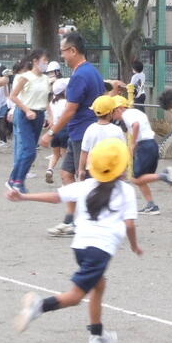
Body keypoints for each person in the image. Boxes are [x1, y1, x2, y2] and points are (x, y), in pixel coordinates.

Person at [9, 138, 142, 343]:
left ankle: (97, 335)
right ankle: (39, 305)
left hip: (80, 247)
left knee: (99, 285)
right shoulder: (126, 191)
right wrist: (134, 245)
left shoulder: (86, 185)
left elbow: (56, 197)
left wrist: (24, 197)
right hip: (100, 251)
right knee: (75, 296)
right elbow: (130, 225)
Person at [41, 32, 106, 237]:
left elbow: (70, 110)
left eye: (63, 52)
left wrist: (51, 132)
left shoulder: (80, 76)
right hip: (79, 133)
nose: (62, 56)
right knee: (67, 173)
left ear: (73, 51)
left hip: (83, 135)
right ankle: (70, 220)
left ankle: (90, 221)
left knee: (85, 180)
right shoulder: (92, 71)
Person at [114, 96, 172, 214]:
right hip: (151, 144)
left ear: (119, 108)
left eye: (113, 111)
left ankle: (164, 176)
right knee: (141, 178)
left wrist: (133, 143)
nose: (113, 115)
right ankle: (151, 205)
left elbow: (136, 125)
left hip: (145, 146)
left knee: (136, 178)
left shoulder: (126, 115)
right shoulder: (136, 112)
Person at [8, 49, 51, 193]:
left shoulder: (45, 79)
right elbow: (13, 96)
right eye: (44, 60)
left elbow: (46, 100)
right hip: (25, 115)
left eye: (47, 61)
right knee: (29, 151)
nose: (46, 63)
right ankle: (18, 181)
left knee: (30, 150)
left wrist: (50, 116)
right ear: (35, 61)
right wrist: (26, 110)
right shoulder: (25, 77)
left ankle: (13, 179)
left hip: (39, 115)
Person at [76, 95, 127, 180]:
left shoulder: (90, 129)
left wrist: (81, 170)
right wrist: (123, 170)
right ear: (111, 112)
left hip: (92, 170)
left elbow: (84, 152)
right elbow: (123, 152)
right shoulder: (117, 130)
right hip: (112, 170)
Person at [45, 77, 70, 184]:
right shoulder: (67, 103)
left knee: (55, 154)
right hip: (64, 129)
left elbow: (49, 117)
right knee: (64, 155)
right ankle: (64, 177)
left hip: (54, 130)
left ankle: (49, 170)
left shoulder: (52, 103)